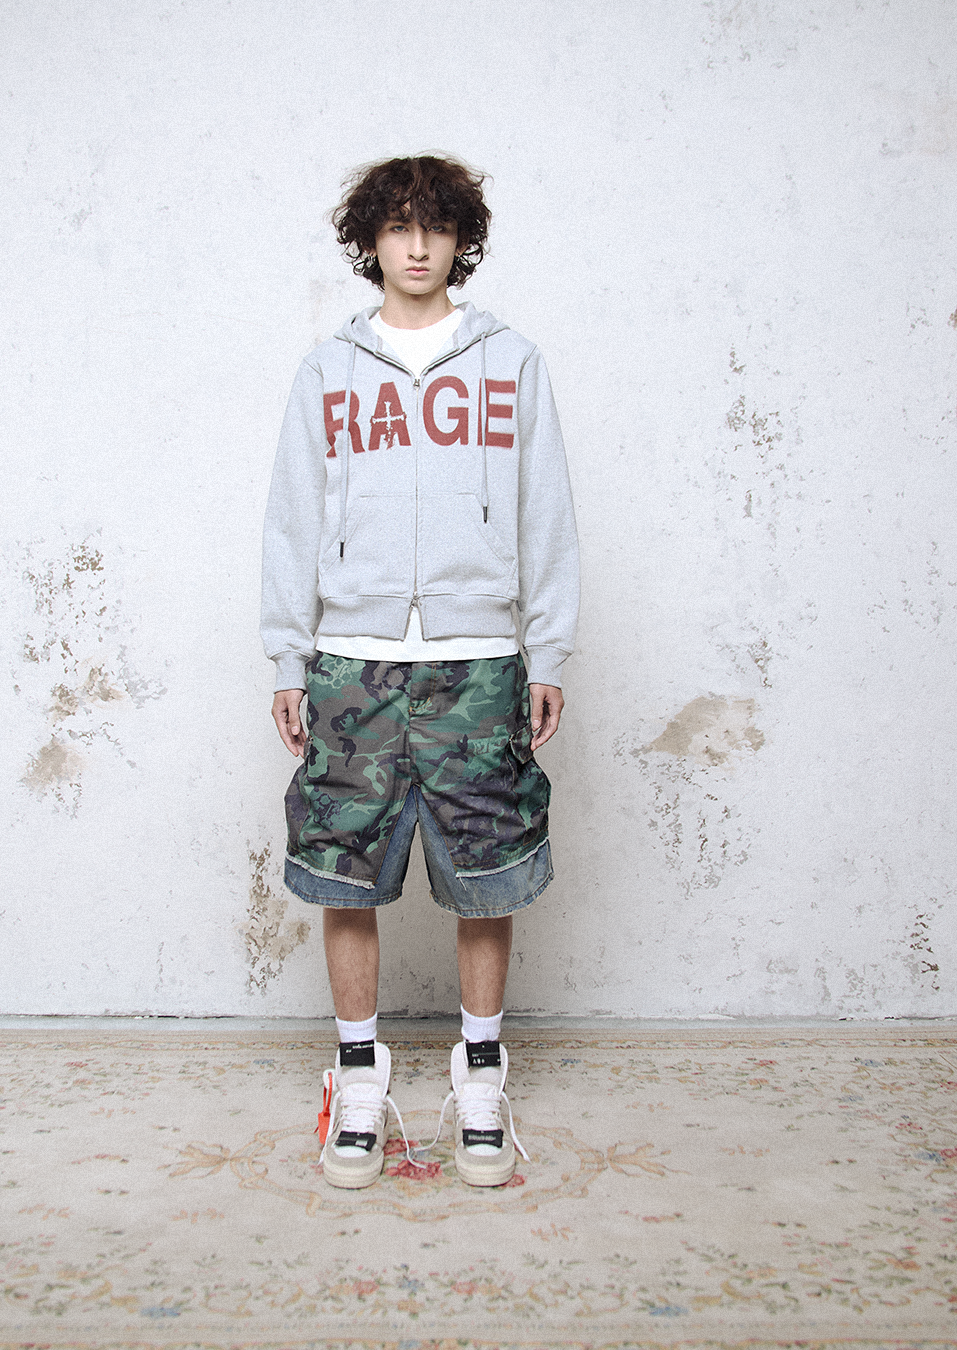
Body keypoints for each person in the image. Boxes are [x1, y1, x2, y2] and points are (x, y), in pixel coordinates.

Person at [260, 154, 579, 1189]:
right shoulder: (329, 371)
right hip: (353, 661)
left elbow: (545, 511)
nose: (416, 246)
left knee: (486, 875)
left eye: (434, 227)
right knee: (344, 870)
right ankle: (359, 1077)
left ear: (459, 241)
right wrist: (289, 654)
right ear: (371, 241)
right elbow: (292, 519)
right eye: (396, 227)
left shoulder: (511, 362)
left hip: (477, 659)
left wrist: (547, 646)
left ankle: (480, 1076)